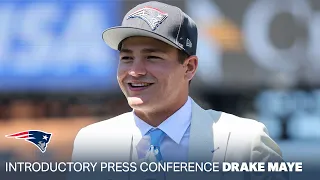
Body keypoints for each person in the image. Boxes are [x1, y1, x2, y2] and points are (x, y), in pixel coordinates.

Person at [70, 1, 286, 180]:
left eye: (152, 57)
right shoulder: (91, 142)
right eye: (127, 58)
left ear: (189, 67)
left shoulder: (246, 142)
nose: (134, 71)